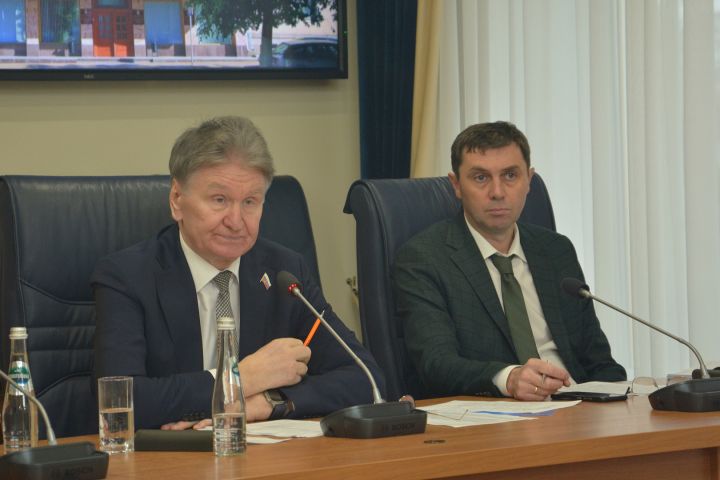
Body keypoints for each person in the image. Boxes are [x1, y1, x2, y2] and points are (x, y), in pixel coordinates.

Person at [93, 116, 384, 429]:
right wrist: (242, 378)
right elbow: (120, 400)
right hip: (167, 453)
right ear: (177, 200)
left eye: (250, 202)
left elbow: (366, 378)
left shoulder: (285, 273)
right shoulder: (127, 277)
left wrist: (269, 402)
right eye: (219, 200)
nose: (235, 221)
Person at [393, 121, 625, 401]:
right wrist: (508, 379)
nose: (498, 192)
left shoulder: (556, 250)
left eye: (510, 175)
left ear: (529, 180)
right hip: (497, 413)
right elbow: (437, 364)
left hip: (578, 406)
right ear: (456, 185)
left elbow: (600, 362)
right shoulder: (424, 259)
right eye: (481, 177)